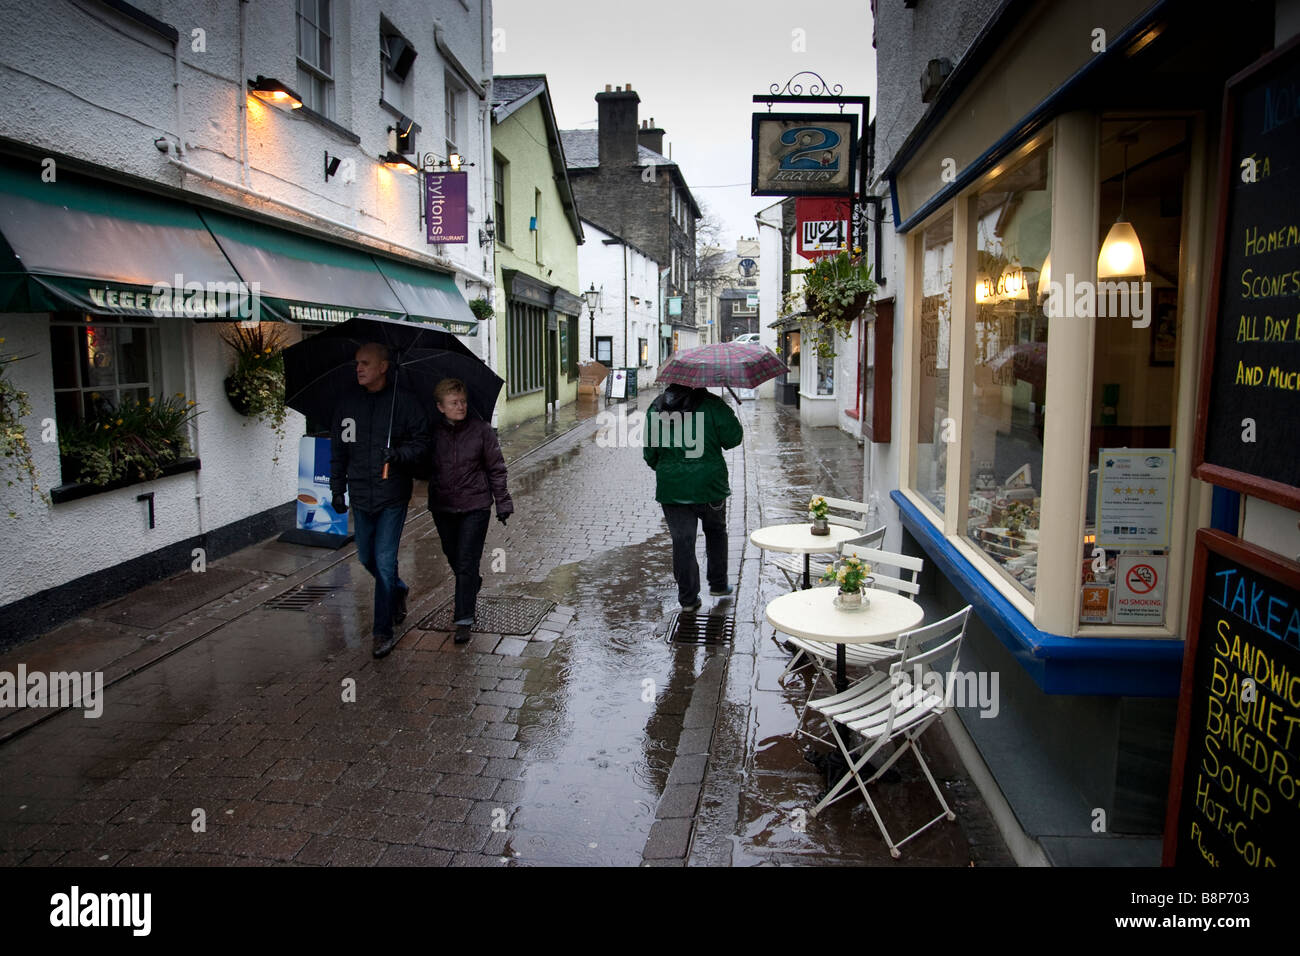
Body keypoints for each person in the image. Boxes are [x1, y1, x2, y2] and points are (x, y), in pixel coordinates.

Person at [329, 343, 429, 659]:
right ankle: (398, 591)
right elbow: (339, 451)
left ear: (384, 367)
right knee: (367, 559)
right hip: (360, 494)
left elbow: (422, 442)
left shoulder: (405, 404)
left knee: (384, 561)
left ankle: (382, 632)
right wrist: (336, 489)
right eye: (357, 363)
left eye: (366, 363)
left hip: (392, 496)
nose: (359, 368)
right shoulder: (347, 405)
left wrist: (397, 455)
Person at [427, 378, 514, 644]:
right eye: (454, 403)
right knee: (453, 556)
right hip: (442, 505)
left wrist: (502, 502)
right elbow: (420, 466)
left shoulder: (482, 431)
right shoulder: (431, 433)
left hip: (475, 505)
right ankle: (470, 583)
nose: (461, 406)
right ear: (441, 407)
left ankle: (464, 617)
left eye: (463, 401)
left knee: (466, 560)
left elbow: (496, 469)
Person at [643, 383, 744, 611]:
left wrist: (668, 469)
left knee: (683, 542)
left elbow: (650, 452)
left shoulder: (657, 407)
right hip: (710, 486)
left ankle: (688, 599)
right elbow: (733, 439)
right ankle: (718, 584)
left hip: (673, 489)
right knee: (716, 532)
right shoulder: (713, 405)